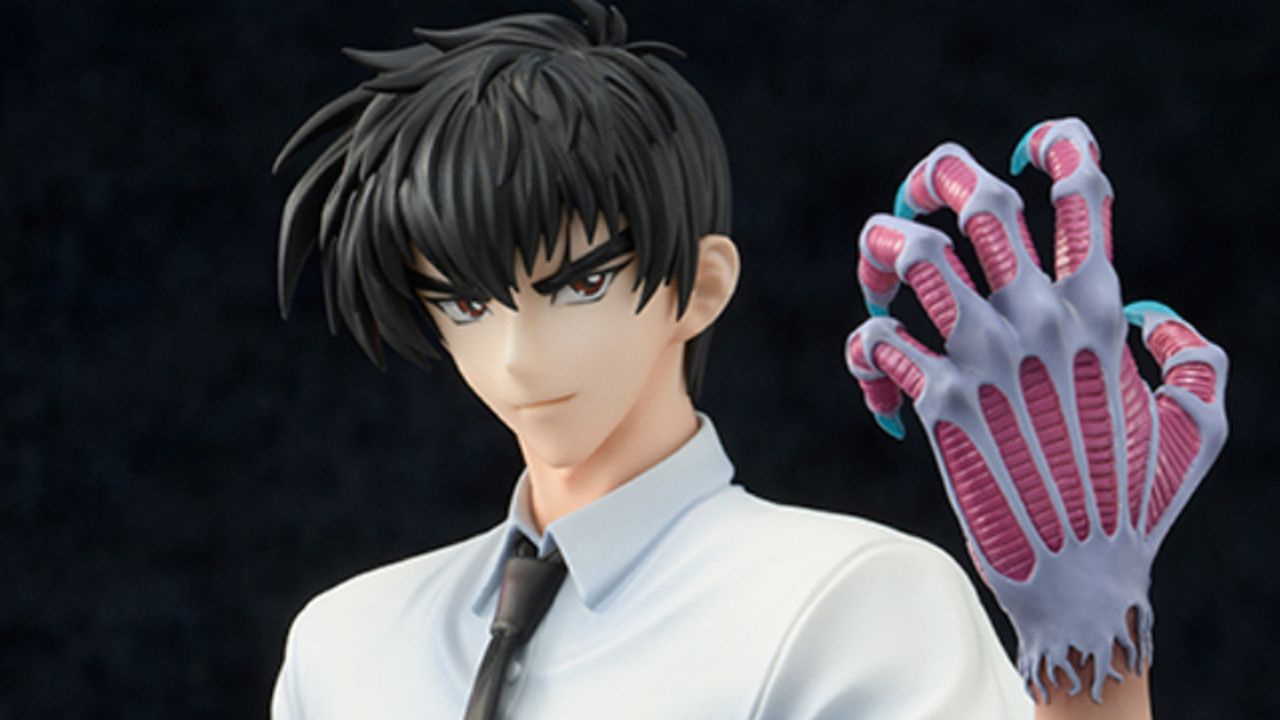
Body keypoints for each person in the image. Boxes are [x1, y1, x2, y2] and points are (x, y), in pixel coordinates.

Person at [269, 2, 1228, 718]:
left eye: (580, 283)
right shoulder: (346, 643)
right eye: (466, 302)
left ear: (700, 285)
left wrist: (1092, 658)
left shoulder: (852, 599)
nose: (518, 356)